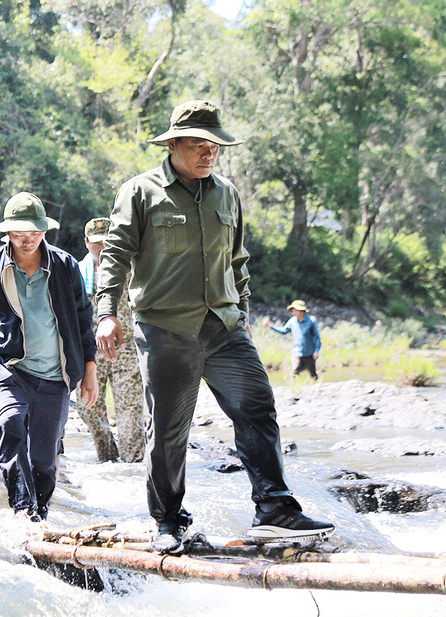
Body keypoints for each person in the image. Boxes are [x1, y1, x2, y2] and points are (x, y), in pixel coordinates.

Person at [95, 100, 334, 554]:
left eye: (216, 146)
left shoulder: (226, 192)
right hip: (166, 330)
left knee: (258, 408)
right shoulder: (140, 192)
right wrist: (106, 313)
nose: (210, 153)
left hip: (224, 327)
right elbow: (116, 256)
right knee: (168, 429)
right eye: (199, 144)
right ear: (173, 145)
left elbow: (238, 260)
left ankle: (275, 509)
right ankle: (167, 519)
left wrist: (240, 312)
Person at [0, 192, 98, 521]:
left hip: (55, 376)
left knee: (44, 458)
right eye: (20, 236)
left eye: (35, 235)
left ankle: (40, 516)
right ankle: (21, 511)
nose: (28, 242)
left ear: (45, 231)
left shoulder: (65, 266)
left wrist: (90, 373)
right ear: (8, 234)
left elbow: (83, 321)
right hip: (9, 370)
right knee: (9, 424)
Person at [77, 217, 145, 463]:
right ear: (86, 243)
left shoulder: (131, 270)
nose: (103, 247)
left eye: (108, 241)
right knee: (88, 407)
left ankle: (133, 465)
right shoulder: (77, 272)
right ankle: (107, 458)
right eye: (97, 243)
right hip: (91, 353)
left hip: (126, 348)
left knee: (130, 409)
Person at [266, 300, 322, 380]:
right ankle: (295, 387)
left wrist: (316, 351)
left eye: (295, 310)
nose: (293, 312)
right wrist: (270, 326)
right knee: (295, 371)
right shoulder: (292, 321)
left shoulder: (311, 321)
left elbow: (317, 337)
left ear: (302, 311)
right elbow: (284, 330)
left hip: (309, 353)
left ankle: (315, 386)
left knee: (313, 374)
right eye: (293, 310)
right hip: (297, 352)